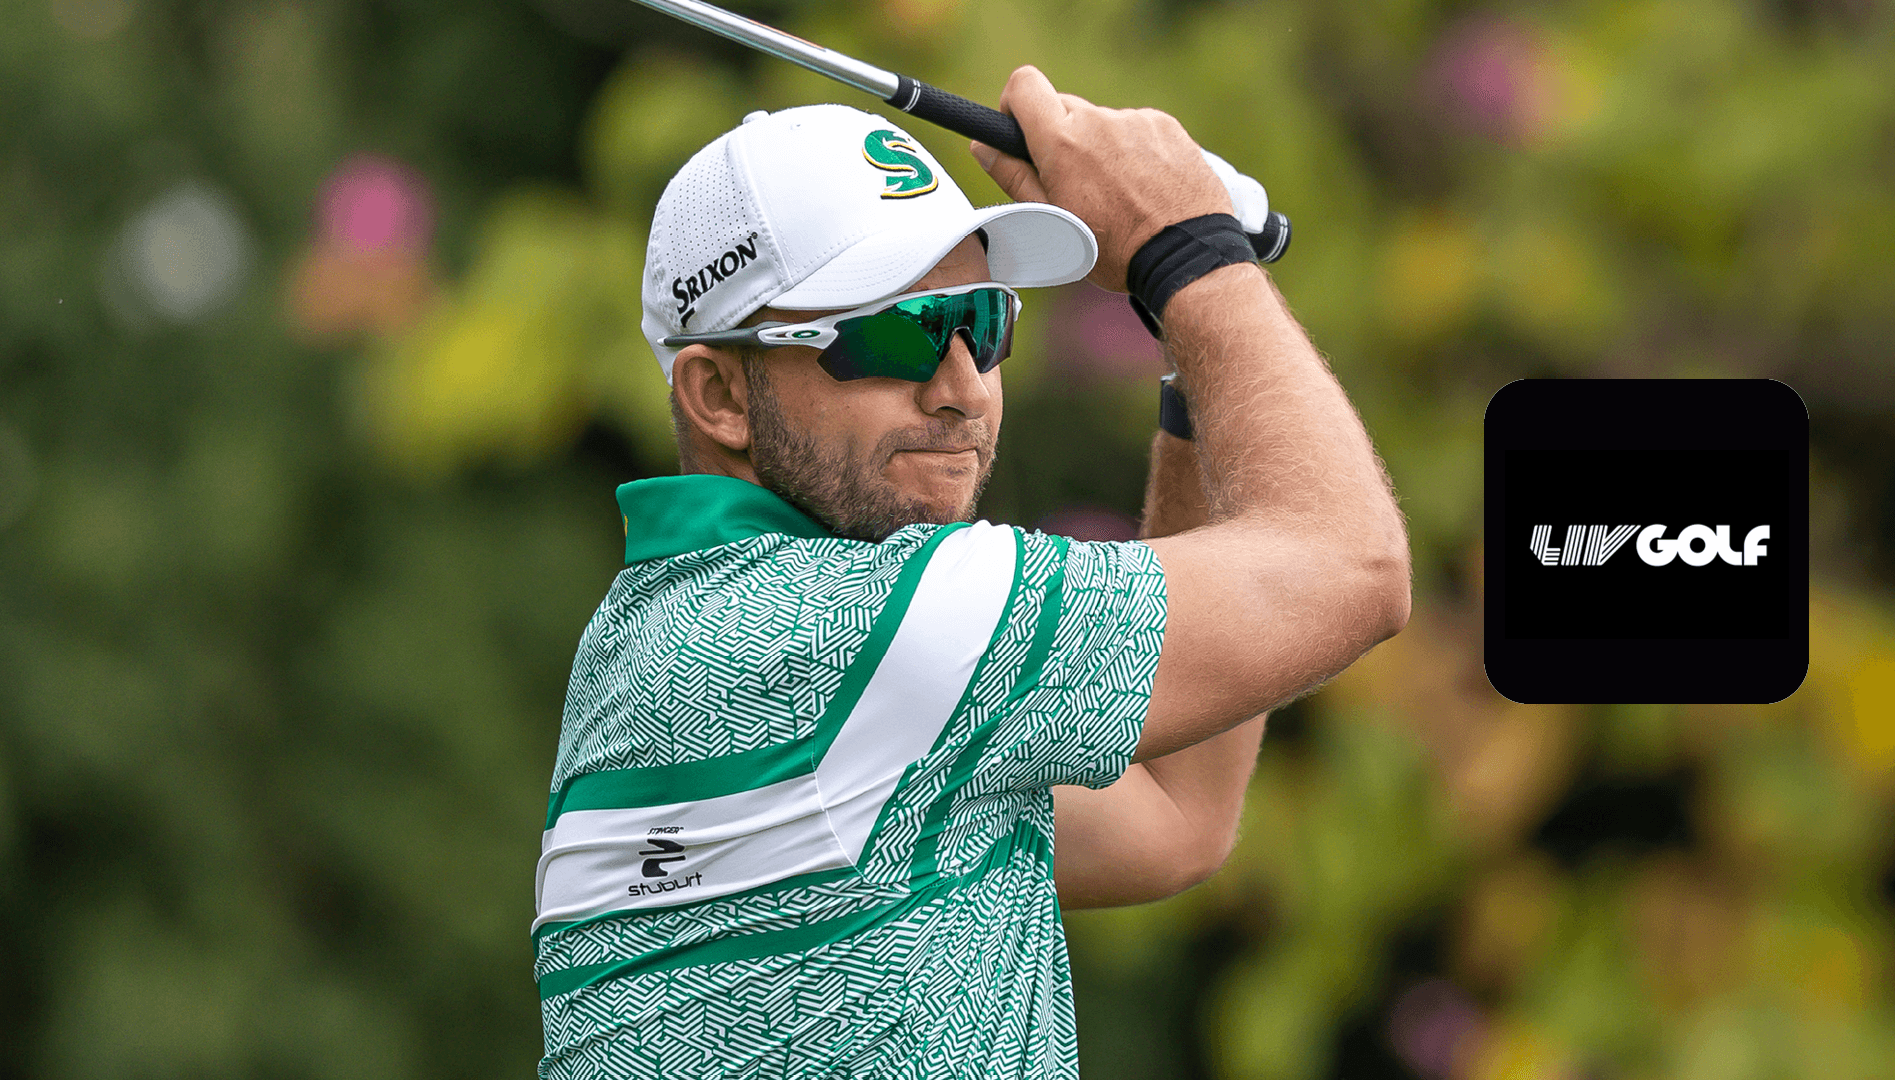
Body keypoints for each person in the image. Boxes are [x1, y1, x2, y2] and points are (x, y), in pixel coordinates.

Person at [532, 66, 1410, 1078]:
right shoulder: (869, 628)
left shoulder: (648, 648)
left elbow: (1174, 814)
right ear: (720, 395)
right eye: (897, 334)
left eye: (981, 325)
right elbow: (1354, 566)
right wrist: (1189, 251)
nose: (963, 390)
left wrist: (1196, 354)